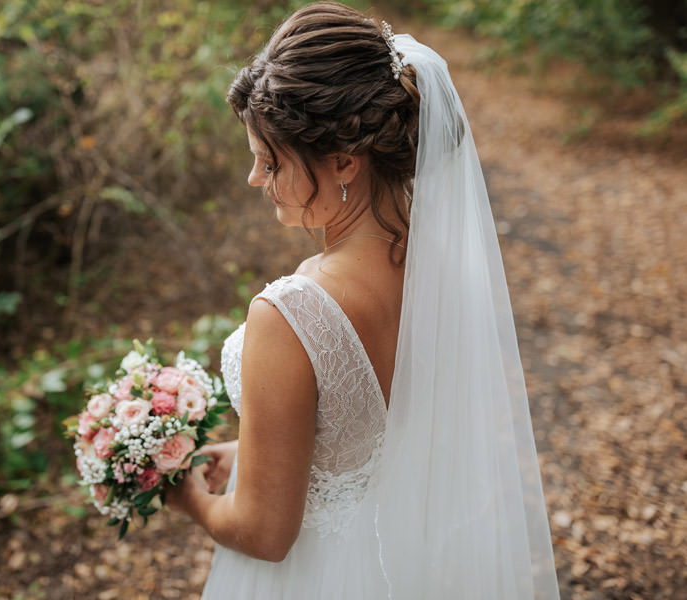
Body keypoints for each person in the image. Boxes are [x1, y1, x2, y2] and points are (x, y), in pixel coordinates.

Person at [166, 2, 560, 598]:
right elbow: (380, 432)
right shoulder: (442, 275)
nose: (255, 178)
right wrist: (255, 452)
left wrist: (188, 499)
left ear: (344, 160)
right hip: (409, 567)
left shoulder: (291, 315)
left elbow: (265, 533)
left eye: (270, 160)